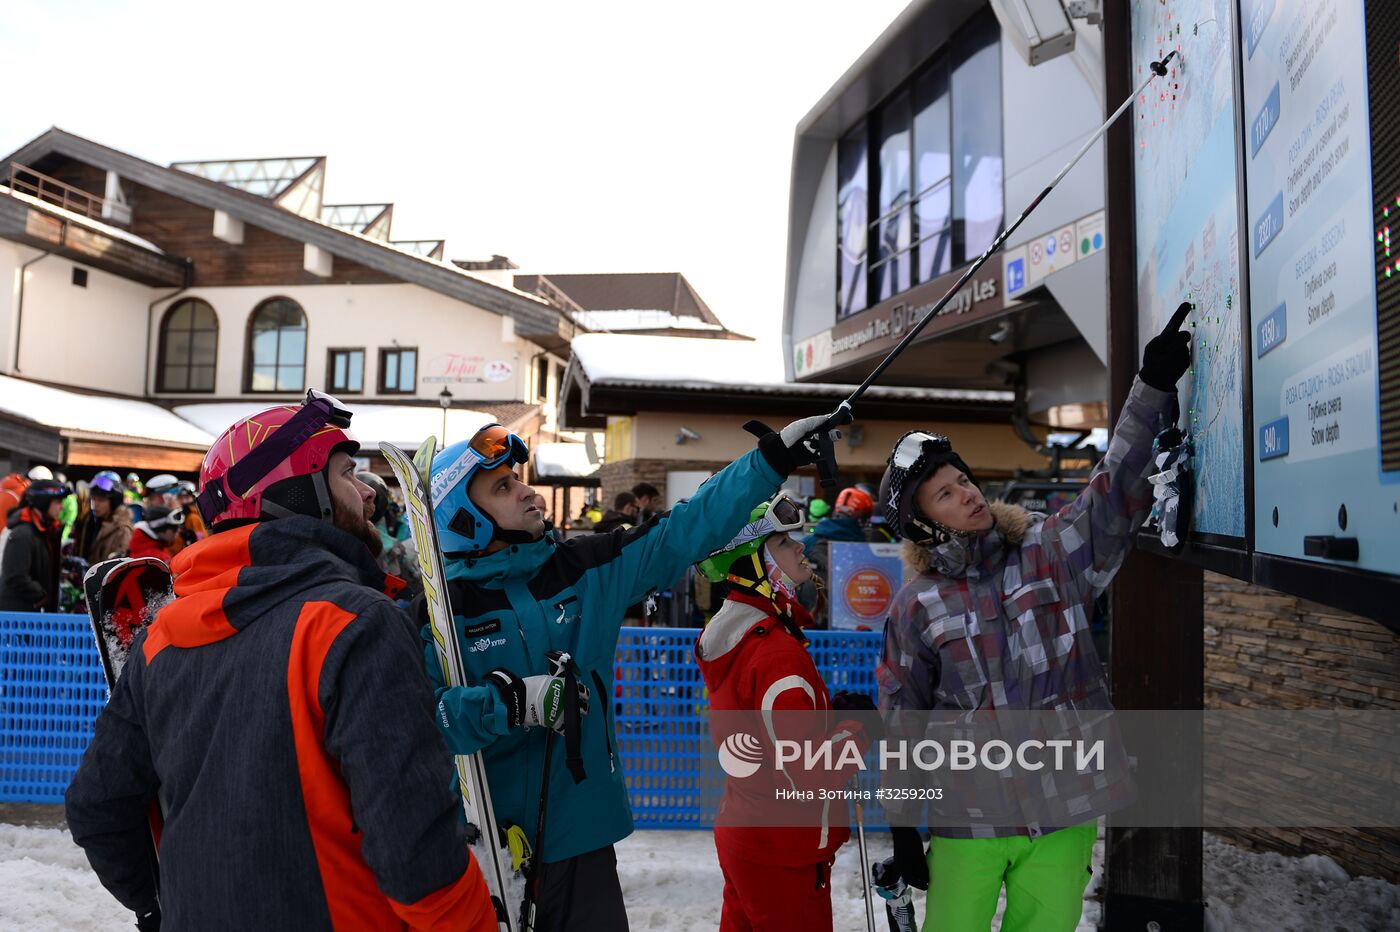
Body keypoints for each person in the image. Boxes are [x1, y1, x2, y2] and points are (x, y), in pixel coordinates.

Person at [65, 390, 495, 931]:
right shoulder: (353, 621)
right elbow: (414, 846)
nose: (368, 493)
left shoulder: (162, 637)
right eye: (347, 475)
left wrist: (157, 904)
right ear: (296, 494)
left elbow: (97, 807)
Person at [427, 413, 833, 930]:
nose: (529, 493)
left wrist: (770, 462)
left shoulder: (588, 568)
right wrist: (504, 705)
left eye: (521, 479)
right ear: (464, 517)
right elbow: (423, 719)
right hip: (483, 849)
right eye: (503, 487)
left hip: (582, 840)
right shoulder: (438, 614)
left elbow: (685, 528)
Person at [877, 310, 1192, 932]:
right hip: (966, 816)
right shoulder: (916, 605)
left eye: (962, 478)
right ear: (925, 524)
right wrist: (903, 825)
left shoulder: (1051, 551)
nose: (966, 492)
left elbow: (1115, 488)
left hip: (1064, 808)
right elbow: (902, 721)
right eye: (945, 493)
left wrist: (1151, 387)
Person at [693, 490, 877, 931]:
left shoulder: (737, 629)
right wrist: (859, 730)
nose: (800, 546)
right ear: (752, 566)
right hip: (785, 848)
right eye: (781, 543)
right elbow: (808, 773)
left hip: (748, 834)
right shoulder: (776, 654)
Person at [0, 479, 70, 612]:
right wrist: (42, 596)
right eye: (58, 502)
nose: (61, 507)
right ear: (43, 503)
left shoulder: (45, 531)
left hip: (34, 614)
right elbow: (16, 576)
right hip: (20, 617)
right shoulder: (22, 534)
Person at [73, 471, 133, 564]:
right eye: (94, 499)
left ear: (114, 502)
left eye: (101, 500)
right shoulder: (91, 521)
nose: (95, 505)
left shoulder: (122, 530)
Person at [167, 481, 206, 557]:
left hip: (191, 557)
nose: (184, 501)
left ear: (192, 498)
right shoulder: (177, 516)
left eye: (187, 498)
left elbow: (201, 542)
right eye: (180, 498)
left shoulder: (193, 518)